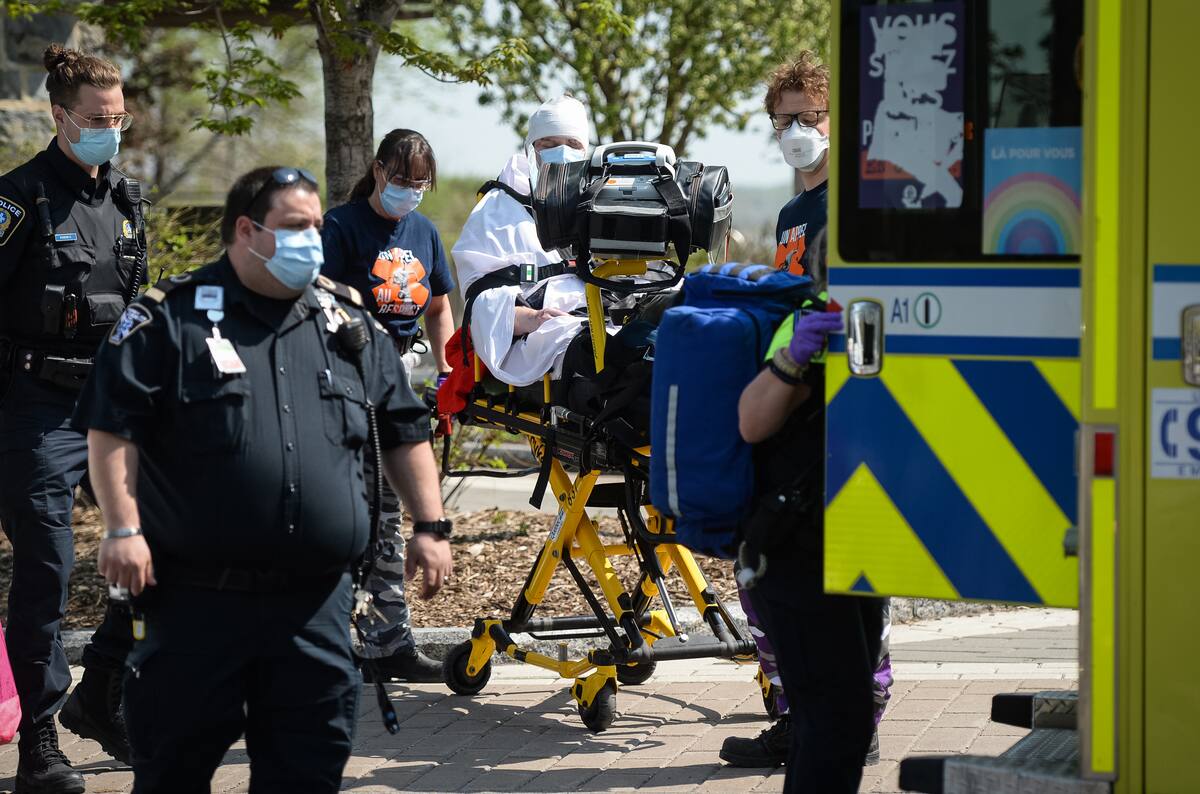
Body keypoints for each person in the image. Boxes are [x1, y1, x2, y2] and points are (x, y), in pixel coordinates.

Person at [71, 165, 454, 792]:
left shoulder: (346, 322)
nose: (313, 240)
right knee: (172, 774)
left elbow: (404, 429)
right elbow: (113, 428)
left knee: (305, 775)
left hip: (315, 608)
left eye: (317, 227)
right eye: (296, 226)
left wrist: (431, 526)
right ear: (247, 230)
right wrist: (122, 528)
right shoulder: (169, 319)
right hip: (196, 608)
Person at [720, 50, 893, 770]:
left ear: (835, 120)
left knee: (850, 579)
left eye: (809, 116)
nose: (795, 130)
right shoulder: (793, 214)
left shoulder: (860, 202)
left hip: (847, 409)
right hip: (790, 403)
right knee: (781, 583)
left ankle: (852, 718)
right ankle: (806, 717)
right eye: (783, 119)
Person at [0, 44, 145, 791]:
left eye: (119, 119)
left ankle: (104, 688)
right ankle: (39, 739)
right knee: (47, 567)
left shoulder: (127, 199)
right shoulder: (18, 199)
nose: (110, 131)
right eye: (97, 120)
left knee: (163, 542)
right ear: (60, 117)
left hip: (111, 404)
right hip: (34, 406)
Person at [735, 229, 880, 793]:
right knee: (835, 719)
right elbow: (752, 422)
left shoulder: (873, 326)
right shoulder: (811, 323)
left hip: (850, 544)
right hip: (795, 550)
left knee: (839, 717)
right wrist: (795, 357)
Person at [320, 130, 455, 682]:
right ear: (378, 171)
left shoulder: (424, 231)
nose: (410, 191)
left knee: (386, 513)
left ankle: (387, 643)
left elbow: (439, 308)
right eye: (401, 180)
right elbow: (316, 303)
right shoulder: (340, 227)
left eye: (420, 183)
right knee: (347, 514)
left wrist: (448, 373)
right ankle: (333, 642)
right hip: (344, 381)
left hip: (398, 381)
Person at [451, 94, 591, 387]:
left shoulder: (599, 204)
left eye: (572, 144)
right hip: (544, 335)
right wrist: (531, 317)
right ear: (531, 148)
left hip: (602, 319)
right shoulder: (496, 211)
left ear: (585, 150)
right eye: (549, 144)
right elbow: (481, 300)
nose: (562, 152)